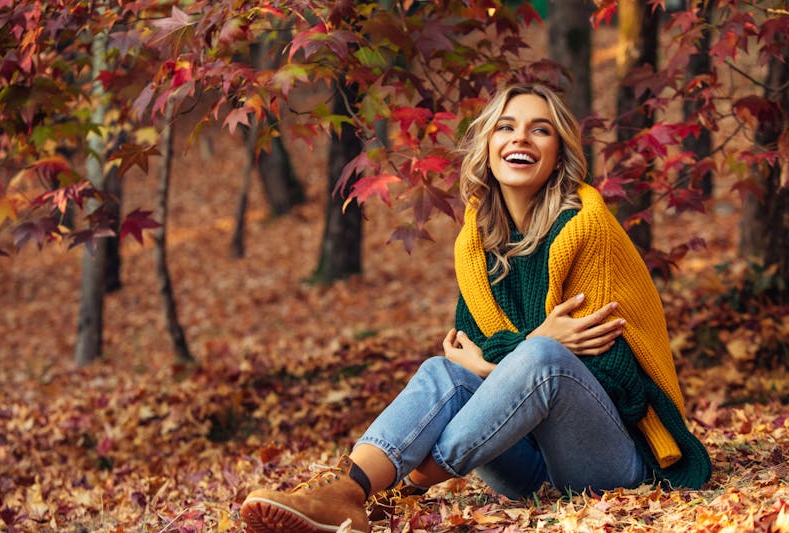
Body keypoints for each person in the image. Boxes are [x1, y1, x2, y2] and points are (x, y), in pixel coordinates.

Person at [239, 83, 712, 533]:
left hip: (612, 459)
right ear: (487, 145)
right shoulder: (477, 241)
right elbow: (471, 355)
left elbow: (620, 381)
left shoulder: (587, 229)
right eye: (505, 126)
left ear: (560, 153)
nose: (520, 137)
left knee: (542, 358)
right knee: (442, 372)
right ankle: (346, 492)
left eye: (540, 129)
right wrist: (510, 358)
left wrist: (509, 359)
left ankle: (405, 486)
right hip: (526, 469)